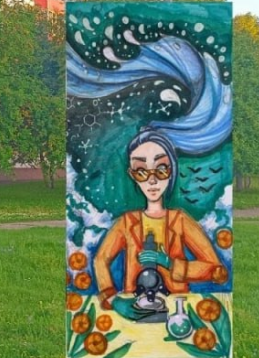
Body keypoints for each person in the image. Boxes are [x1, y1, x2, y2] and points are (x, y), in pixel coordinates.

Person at [93, 128, 221, 313]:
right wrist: (112, 299)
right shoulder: (127, 223)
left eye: (161, 169)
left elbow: (216, 270)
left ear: (171, 169)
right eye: (141, 171)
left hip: (175, 307)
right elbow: (100, 259)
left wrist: (170, 264)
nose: (152, 181)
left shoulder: (180, 220)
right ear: (132, 175)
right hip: (136, 308)